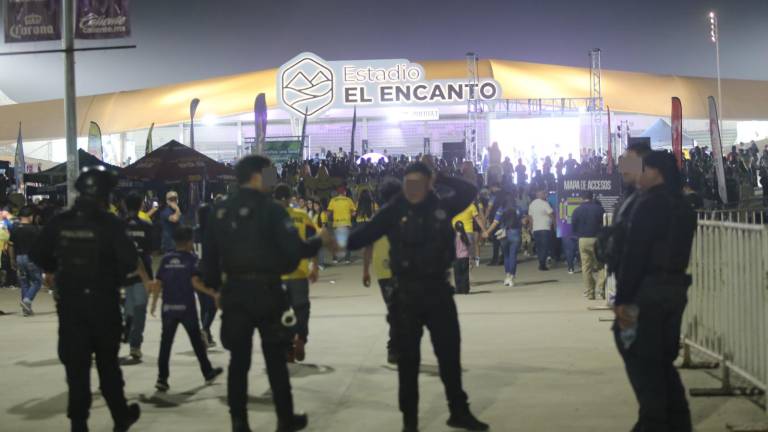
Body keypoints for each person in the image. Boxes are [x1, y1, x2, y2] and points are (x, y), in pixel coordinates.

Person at [347, 161, 489, 432]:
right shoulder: (393, 211)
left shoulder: (442, 206)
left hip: (438, 292)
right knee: (408, 365)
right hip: (406, 296)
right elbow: (359, 237)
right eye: (408, 183)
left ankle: (458, 411)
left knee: (449, 357)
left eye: (419, 182)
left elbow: (469, 191)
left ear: (429, 183)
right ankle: (409, 423)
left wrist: (443, 176)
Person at [202, 155, 334, 432]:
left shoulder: (220, 211)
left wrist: (217, 290)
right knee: (275, 357)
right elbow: (293, 252)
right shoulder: (272, 210)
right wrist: (318, 242)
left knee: (239, 361)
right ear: (257, 176)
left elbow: (209, 261)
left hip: (235, 293)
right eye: (269, 174)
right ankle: (285, 418)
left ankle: (239, 421)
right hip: (267, 292)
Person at [30, 166, 142, 432]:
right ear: (105, 195)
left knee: (77, 370)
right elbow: (129, 262)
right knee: (108, 366)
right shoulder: (110, 223)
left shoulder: (60, 221)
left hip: (71, 307)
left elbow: (38, 254)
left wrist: (57, 268)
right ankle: (119, 417)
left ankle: (79, 425)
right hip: (104, 305)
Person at [613, 151, 697, 431]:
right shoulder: (684, 206)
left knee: (639, 355)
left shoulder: (648, 205)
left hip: (645, 294)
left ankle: (654, 421)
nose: (639, 175)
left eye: (643, 170)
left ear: (655, 172)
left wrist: (623, 299)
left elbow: (635, 253)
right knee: (661, 359)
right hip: (675, 290)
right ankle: (678, 421)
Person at [149, 226, 223, 392]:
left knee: (165, 344)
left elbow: (158, 283)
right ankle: (207, 371)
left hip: (168, 308)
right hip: (186, 309)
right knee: (197, 342)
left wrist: (154, 304)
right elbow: (195, 282)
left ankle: (162, 378)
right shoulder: (191, 259)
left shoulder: (166, 259)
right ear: (189, 242)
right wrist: (212, 293)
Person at [274, 184, 320, 363]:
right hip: (299, 272)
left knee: (282, 313)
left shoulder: (270, 218)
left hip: (277, 276)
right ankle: (301, 337)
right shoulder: (301, 215)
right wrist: (315, 267)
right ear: (290, 198)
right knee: (302, 309)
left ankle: (288, 350)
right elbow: (314, 240)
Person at [362, 178, 402, 364]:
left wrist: (366, 270)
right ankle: (395, 346)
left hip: (383, 270)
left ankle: (396, 346)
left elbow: (368, 246)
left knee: (396, 310)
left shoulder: (376, 218)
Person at [122, 193, 155, 360]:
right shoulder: (147, 225)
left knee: (127, 304)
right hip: (142, 273)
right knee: (140, 308)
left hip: (122, 272)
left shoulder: (119, 225)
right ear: (142, 205)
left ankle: (126, 327)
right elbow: (152, 249)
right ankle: (135, 346)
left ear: (124, 205)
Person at [571, 192, 607, 299]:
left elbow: (574, 226)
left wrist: (579, 234)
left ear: (582, 198)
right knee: (601, 265)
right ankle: (601, 290)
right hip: (597, 239)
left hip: (583, 240)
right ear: (592, 197)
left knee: (586, 267)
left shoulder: (577, 210)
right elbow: (604, 224)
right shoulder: (599, 209)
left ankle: (589, 292)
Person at [483, 192, 522, 287]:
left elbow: (495, 223)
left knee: (506, 256)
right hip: (515, 233)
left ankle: (507, 276)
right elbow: (524, 220)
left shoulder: (501, 209)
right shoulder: (518, 209)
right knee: (513, 256)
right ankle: (512, 277)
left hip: (504, 234)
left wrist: (487, 232)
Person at [9, 206, 42, 316]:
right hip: (31, 258)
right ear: (30, 217)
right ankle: (27, 301)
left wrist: (12, 259)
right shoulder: (34, 229)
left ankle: (26, 310)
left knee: (24, 283)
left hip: (19, 258)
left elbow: (11, 246)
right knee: (37, 282)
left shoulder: (15, 228)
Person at [195, 203, 218, 348]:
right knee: (213, 305)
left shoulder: (194, 231)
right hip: (211, 272)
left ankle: (207, 334)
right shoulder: (214, 232)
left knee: (204, 306)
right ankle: (204, 329)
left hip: (197, 271)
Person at [452, 202, 486, 268]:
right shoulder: (471, 206)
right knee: (467, 251)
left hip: (456, 231)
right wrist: (484, 230)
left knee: (457, 251)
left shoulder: (454, 204)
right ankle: (468, 264)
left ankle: (460, 267)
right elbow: (478, 219)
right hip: (468, 232)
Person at [327, 187, 356, 264]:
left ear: (337, 193)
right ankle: (347, 259)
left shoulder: (333, 200)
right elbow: (354, 213)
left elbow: (329, 213)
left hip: (336, 223)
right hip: (346, 223)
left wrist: (331, 219)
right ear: (345, 193)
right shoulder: (349, 200)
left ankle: (335, 259)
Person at [528, 190, 554, 271]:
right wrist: (556, 225)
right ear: (540, 195)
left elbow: (530, 217)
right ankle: (542, 264)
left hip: (536, 229)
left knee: (539, 247)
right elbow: (551, 215)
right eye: (544, 194)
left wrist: (531, 227)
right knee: (545, 247)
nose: (546, 195)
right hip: (545, 228)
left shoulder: (532, 204)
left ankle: (541, 263)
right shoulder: (545, 203)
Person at [453, 221, 471, 294]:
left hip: (456, 257)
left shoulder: (453, 236)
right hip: (465, 257)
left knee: (457, 274)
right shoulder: (466, 235)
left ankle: (458, 289)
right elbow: (469, 247)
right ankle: (465, 289)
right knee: (465, 274)